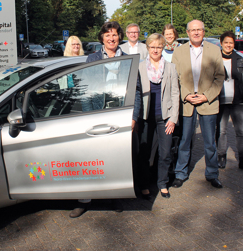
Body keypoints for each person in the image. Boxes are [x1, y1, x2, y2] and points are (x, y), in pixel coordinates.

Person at [70, 21, 141, 218]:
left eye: (115, 35)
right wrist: (88, 116)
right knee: (90, 158)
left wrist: (133, 118)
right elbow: (84, 89)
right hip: (95, 112)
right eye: (108, 35)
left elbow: (136, 91)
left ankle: (115, 197)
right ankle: (84, 200)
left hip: (119, 114)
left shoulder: (128, 59)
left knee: (116, 158)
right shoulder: (93, 58)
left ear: (120, 37)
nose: (112, 38)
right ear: (102, 37)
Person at [171, 20, 225, 189]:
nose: (195, 33)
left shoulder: (214, 50)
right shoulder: (178, 52)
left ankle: (212, 174)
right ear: (187, 33)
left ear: (203, 32)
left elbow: (219, 77)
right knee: (185, 140)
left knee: (210, 142)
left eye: (199, 30)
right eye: (192, 30)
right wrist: (187, 95)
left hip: (207, 102)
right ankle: (180, 173)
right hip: (187, 102)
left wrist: (205, 96)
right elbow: (175, 76)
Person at [138, 33, 179, 199]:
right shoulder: (140, 67)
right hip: (145, 117)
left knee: (165, 153)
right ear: (148, 48)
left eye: (159, 47)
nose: (155, 50)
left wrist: (173, 118)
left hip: (165, 118)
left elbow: (175, 93)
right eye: (152, 47)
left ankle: (162, 183)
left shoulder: (170, 67)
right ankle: (145, 184)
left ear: (163, 48)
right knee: (145, 153)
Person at [216, 31, 243, 173]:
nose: (228, 45)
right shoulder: (215, 59)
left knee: (242, 132)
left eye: (231, 43)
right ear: (221, 43)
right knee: (221, 131)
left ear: (234, 44)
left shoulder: (240, 60)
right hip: (220, 102)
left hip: (237, 101)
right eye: (226, 42)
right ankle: (221, 156)